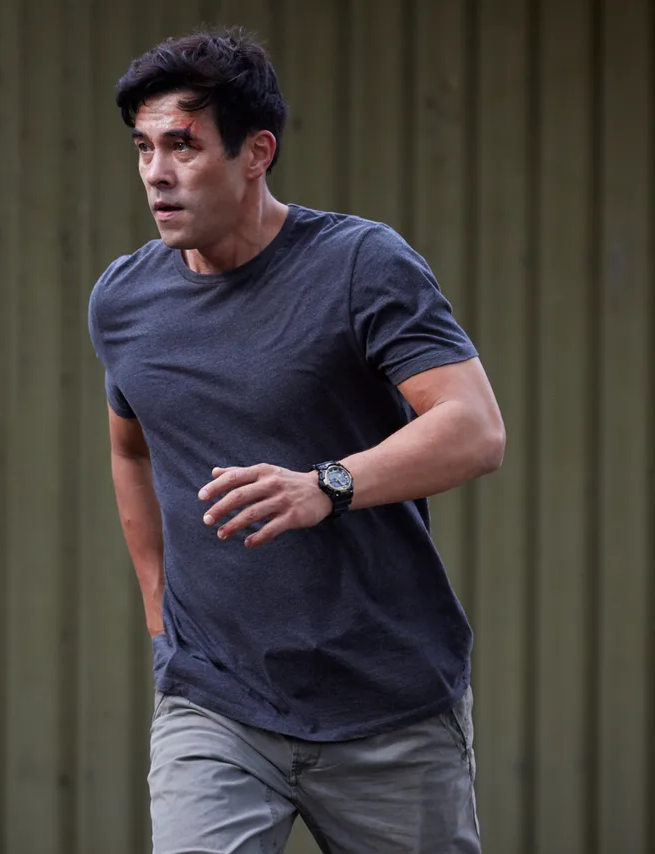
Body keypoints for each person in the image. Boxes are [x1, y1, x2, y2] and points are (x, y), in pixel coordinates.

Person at [87, 28, 504, 854]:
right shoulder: (124, 301)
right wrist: (161, 615)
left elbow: (474, 429)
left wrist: (326, 486)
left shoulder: (360, 266)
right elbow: (131, 450)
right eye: (143, 147)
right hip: (215, 702)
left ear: (256, 153)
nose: (157, 172)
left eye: (182, 145)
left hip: (388, 707)